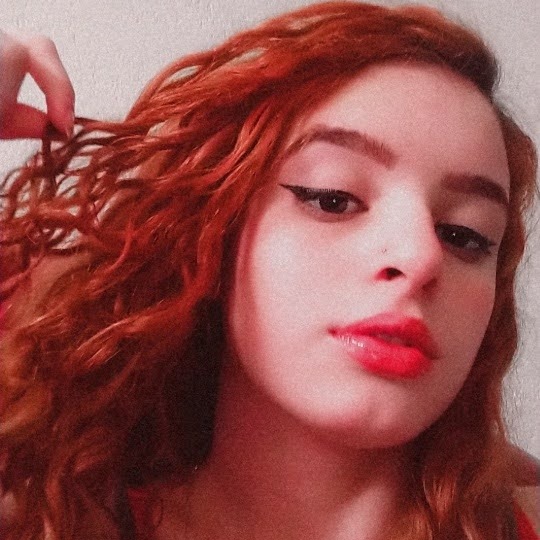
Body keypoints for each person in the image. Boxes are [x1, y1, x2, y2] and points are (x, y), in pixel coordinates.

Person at [0, 2, 539, 539]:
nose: (422, 258)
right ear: (212, 235)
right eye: (332, 199)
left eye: (465, 235)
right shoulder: (45, 520)